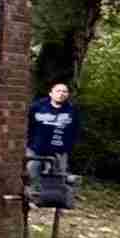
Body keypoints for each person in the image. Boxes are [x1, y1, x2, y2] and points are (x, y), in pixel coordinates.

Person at [27, 80, 79, 209]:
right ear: (51, 93)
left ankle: (53, 200)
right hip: (36, 148)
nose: (61, 94)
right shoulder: (37, 107)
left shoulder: (71, 111)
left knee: (58, 175)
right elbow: (28, 125)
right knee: (32, 173)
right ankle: (33, 199)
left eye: (64, 91)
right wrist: (29, 142)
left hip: (59, 150)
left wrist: (68, 146)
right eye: (58, 91)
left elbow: (75, 130)